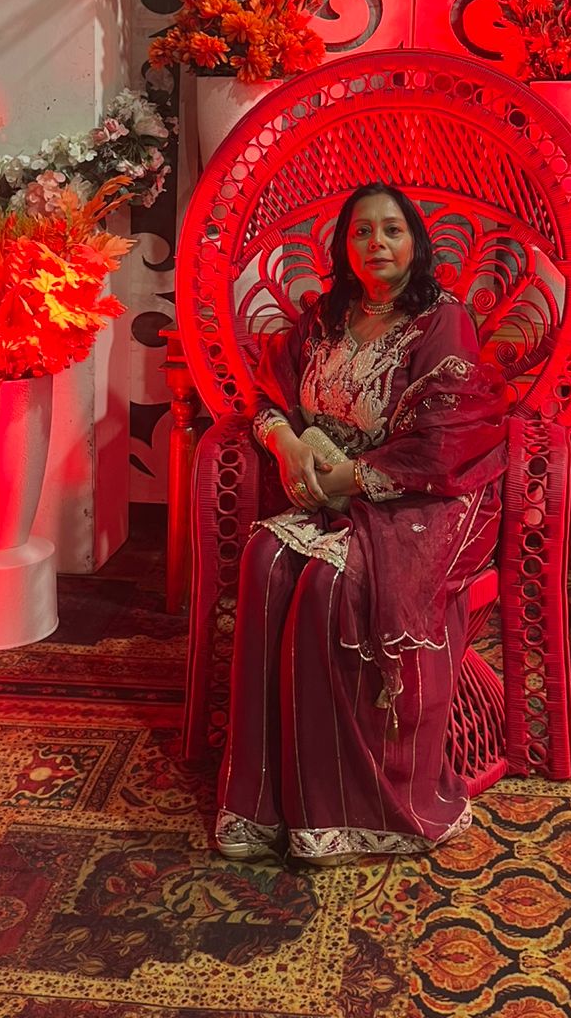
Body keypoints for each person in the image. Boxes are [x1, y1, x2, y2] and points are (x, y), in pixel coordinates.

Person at [215, 182, 506, 866]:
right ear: (344, 246)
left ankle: (343, 808)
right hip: (324, 488)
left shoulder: (441, 321)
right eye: (363, 232)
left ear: (415, 242)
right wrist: (288, 449)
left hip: (421, 497)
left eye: (392, 230)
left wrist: (347, 480)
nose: (377, 243)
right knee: (264, 562)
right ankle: (260, 799)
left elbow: (445, 441)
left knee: (329, 588)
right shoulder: (323, 318)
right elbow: (269, 400)